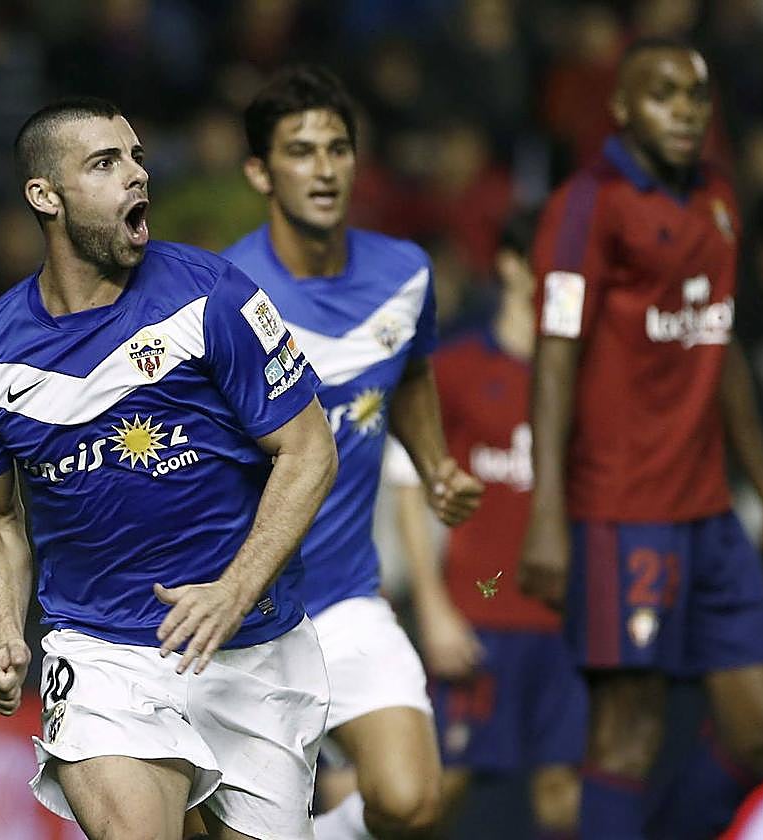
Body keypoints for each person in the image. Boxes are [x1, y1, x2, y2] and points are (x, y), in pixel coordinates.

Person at [0, 97, 338, 840]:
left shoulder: (212, 295)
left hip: (254, 647)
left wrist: (232, 591)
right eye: (104, 163)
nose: (135, 176)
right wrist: (8, 637)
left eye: (136, 157)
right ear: (44, 196)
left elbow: (310, 450)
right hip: (103, 650)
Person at [518, 38, 763, 839]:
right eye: (664, 94)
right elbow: (555, 354)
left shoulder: (717, 194)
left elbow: (721, 341)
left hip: (710, 511)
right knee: (627, 734)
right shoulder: (588, 203)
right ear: (621, 109)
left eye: (697, 96)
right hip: (620, 506)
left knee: (762, 730)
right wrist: (547, 513)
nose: (685, 110)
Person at [223, 66, 483, 840]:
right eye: (300, 151)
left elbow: (411, 371)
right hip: (241, 614)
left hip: (344, 597)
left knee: (410, 803)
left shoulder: (405, 274)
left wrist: (434, 463)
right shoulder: (223, 292)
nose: (324, 167)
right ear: (259, 172)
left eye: (338, 148)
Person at [386, 211, 586, 839]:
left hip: (569, 619)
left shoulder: (588, 375)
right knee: (436, 793)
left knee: (564, 796)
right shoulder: (461, 368)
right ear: (509, 264)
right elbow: (408, 478)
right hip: (484, 606)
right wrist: (433, 605)